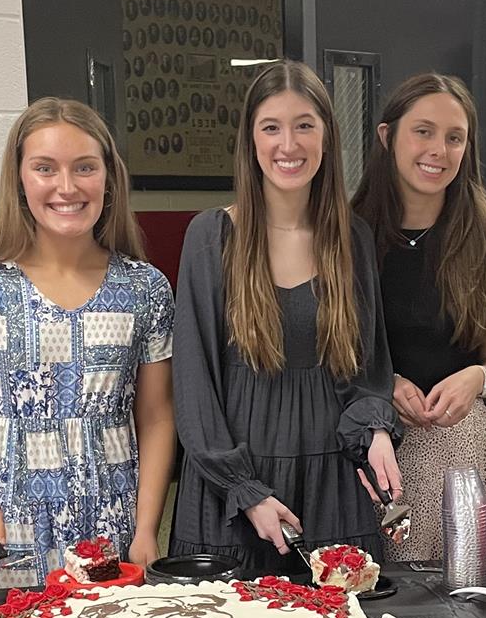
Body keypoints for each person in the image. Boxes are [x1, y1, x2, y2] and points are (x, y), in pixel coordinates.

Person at [0, 97, 175, 590]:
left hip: (112, 526)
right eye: (45, 168)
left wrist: (147, 528)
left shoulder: (145, 288)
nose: (67, 187)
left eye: (84, 167)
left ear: (108, 177)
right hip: (7, 524)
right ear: (20, 179)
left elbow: (156, 418)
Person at [171, 59, 403, 576]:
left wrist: (377, 430)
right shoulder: (209, 237)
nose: (288, 145)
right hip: (231, 494)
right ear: (251, 141)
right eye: (271, 127)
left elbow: (367, 372)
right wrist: (245, 492)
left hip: (333, 487)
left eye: (305, 126)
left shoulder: (353, 239)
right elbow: (194, 385)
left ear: (326, 138)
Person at [352, 73, 486, 563]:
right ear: (387, 137)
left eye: (454, 137)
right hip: (372, 444)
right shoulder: (345, 235)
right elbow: (326, 356)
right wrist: (384, 383)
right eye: (422, 131)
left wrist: (477, 378)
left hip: (459, 447)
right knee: (374, 601)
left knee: (464, 605)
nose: (438, 150)